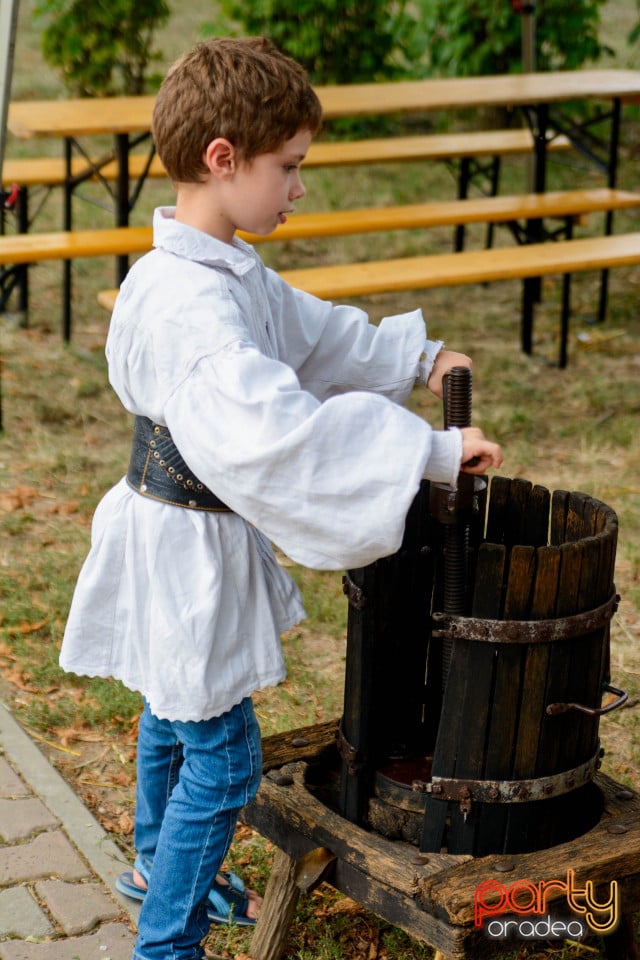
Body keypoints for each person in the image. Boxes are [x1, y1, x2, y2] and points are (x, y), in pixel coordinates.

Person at [59, 36, 503, 960]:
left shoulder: (206, 269)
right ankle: (164, 944)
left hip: (167, 532)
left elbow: (308, 330)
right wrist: (431, 451)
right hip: (184, 549)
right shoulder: (196, 312)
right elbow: (282, 439)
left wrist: (416, 360)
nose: (298, 188)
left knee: (170, 707)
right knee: (223, 762)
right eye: (288, 168)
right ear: (223, 160)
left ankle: (152, 865)